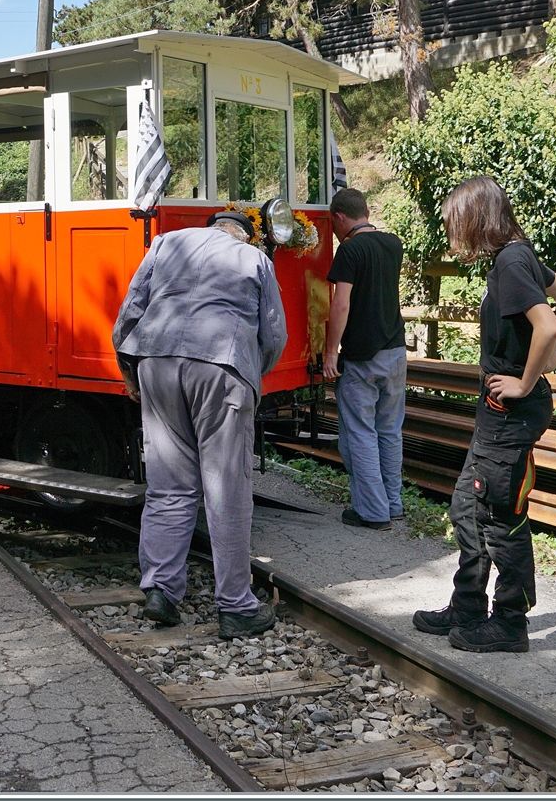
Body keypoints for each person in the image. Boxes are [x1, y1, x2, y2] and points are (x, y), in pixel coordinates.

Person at [413, 177, 556, 653]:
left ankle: (509, 623)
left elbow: (548, 322)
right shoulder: (518, 253)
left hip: (511, 412)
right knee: (467, 507)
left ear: (475, 218)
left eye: (455, 224)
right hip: (498, 414)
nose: (453, 234)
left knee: (500, 518)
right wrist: (548, 361)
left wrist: (529, 379)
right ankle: (467, 608)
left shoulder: (510, 262)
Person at [113, 211, 288, 639]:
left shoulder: (165, 243)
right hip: (221, 365)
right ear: (244, 234)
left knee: (169, 486)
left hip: (156, 360)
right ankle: (235, 606)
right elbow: (274, 334)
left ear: (211, 225)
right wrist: (249, 373)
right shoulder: (253, 259)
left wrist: (130, 372)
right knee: (226, 489)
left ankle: (160, 592)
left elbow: (129, 314)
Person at [321, 187, 407, 531]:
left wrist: (331, 351)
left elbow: (341, 305)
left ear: (340, 218)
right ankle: (393, 503)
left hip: (362, 358)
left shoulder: (350, 249)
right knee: (389, 431)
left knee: (359, 433)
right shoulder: (393, 244)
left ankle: (372, 512)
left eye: (332, 224)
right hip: (396, 352)